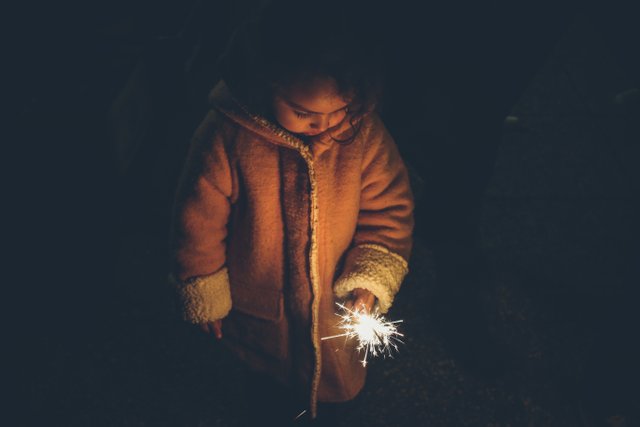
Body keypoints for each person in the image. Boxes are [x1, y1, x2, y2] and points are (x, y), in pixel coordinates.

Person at [169, 1, 413, 424]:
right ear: (267, 82)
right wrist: (203, 285)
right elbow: (197, 223)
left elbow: (388, 210)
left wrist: (370, 277)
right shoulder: (228, 136)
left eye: (340, 110)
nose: (326, 125)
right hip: (261, 313)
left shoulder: (364, 135)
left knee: (340, 401)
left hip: (333, 320)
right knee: (267, 397)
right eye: (304, 113)